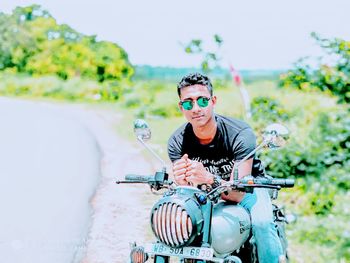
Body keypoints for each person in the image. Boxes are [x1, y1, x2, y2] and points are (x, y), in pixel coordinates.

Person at [167, 72, 284, 263]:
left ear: (213, 101)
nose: (196, 108)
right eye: (188, 103)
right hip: (205, 194)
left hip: (249, 189)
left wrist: (207, 178)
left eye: (202, 101)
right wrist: (180, 181)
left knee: (262, 223)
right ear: (181, 107)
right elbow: (185, 193)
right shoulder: (177, 141)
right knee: (184, 224)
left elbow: (238, 194)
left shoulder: (240, 134)